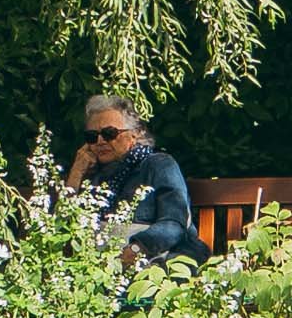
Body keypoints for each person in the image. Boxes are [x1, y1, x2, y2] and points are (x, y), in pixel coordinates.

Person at [62, 96, 207, 264]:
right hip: (102, 266)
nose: (100, 141)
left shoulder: (158, 165)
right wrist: (76, 174)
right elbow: (63, 230)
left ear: (135, 134)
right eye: (92, 136)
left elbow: (174, 224)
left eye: (109, 133)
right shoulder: (92, 175)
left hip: (157, 262)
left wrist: (136, 249)